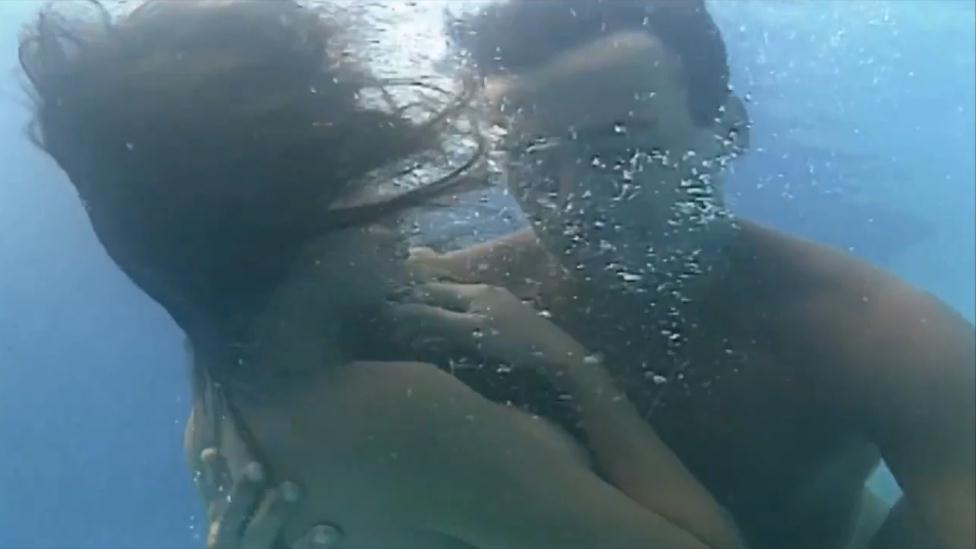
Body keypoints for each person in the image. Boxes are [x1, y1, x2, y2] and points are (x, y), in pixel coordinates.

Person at [19, 2, 748, 549]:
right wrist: (575, 372)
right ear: (300, 218)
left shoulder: (218, 412)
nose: (400, 215)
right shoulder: (406, 414)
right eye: (369, 173)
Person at [397, 2, 975, 549]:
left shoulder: (884, 337)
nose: (576, 201)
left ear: (730, 129)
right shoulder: (451, 298)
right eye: (533, 157)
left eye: (621, 151)